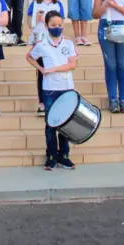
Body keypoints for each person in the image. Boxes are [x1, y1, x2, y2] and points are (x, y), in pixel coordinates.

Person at [26, 10, 78, 171]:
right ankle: (51, 155)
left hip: (66, 88)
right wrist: (41, 69)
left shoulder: (68, 44)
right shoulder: (42, 45)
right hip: (50, 89)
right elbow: (29, 56)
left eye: (60, 25)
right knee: (51, 123)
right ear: (47, 26)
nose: (57, 28)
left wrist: (54, 69)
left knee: (65, 123)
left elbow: (72, 64)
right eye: (53, 25)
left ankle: (64, 155)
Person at [26, 0, 65, 116]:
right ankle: (42, 102)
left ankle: (56, 101)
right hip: (39, 43)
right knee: (42, 73)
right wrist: (37, 19)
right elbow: (29, 24)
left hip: (54, 43)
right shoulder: (35, 3)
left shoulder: (58, 4)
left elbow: (62, 23)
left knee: (55, 70)